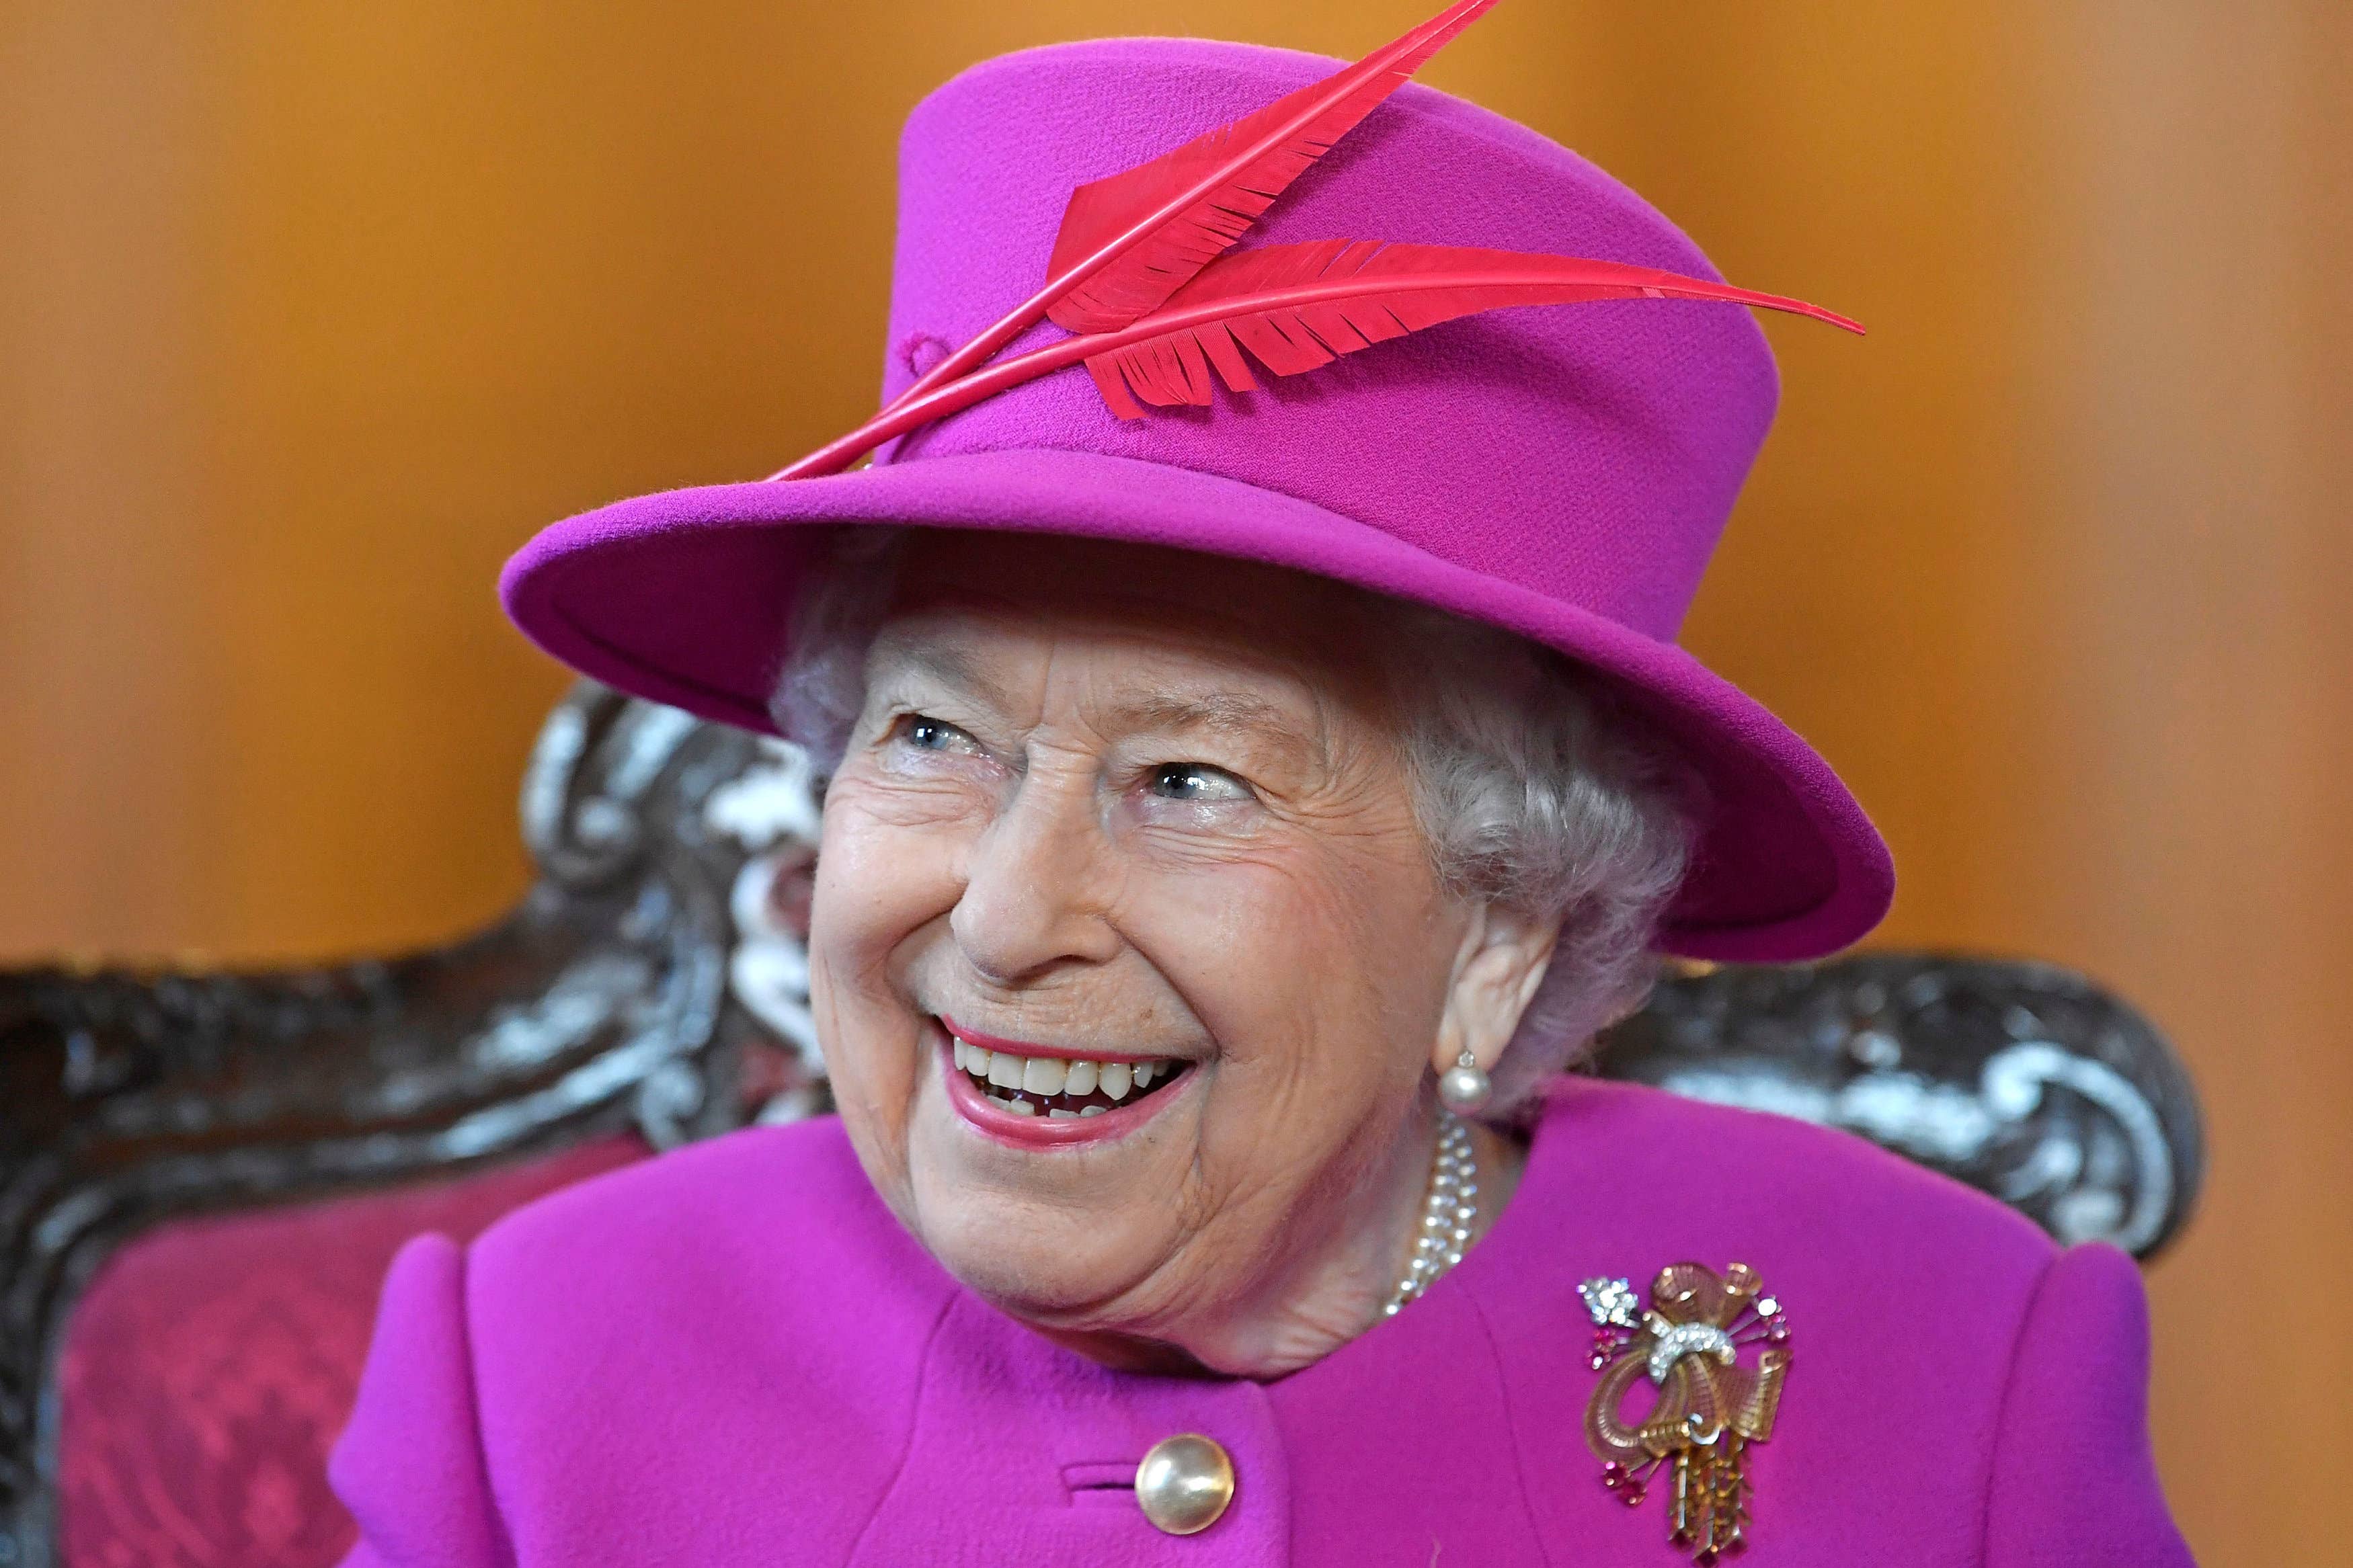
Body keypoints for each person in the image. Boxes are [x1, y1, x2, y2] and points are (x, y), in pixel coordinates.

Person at [331, 14, 2191, 1565]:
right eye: (928, 739)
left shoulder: (1949, 1367)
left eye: (1189, 778)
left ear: (1499, 927)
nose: (1001, 916)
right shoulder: (534, 1379)